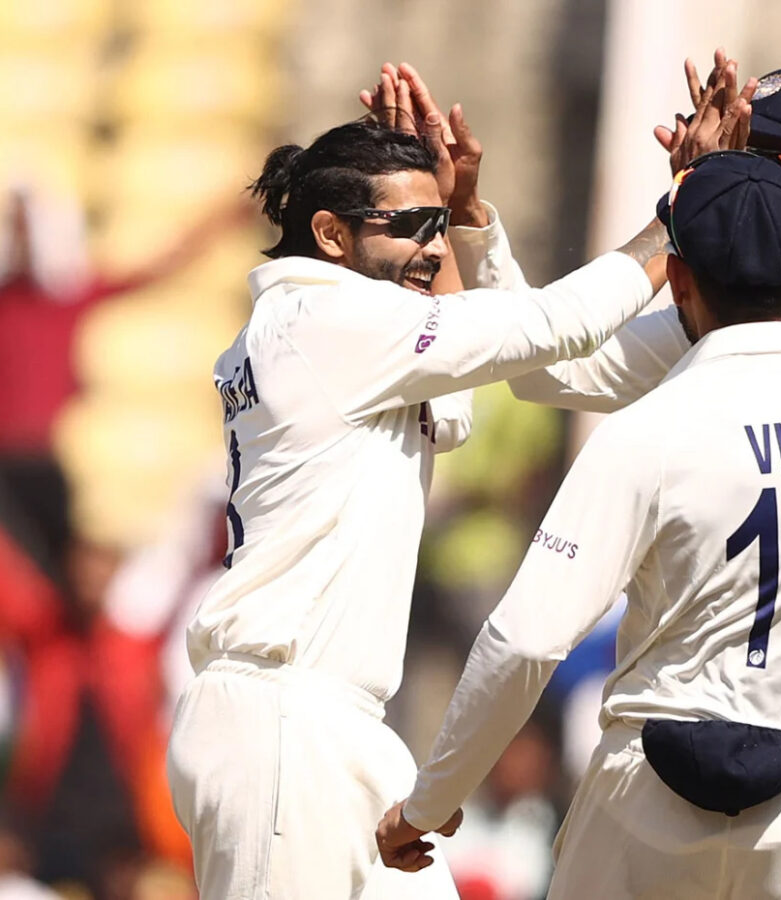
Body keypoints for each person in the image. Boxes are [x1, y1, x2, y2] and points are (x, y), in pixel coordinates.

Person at [452, 58, 781, 900]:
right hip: (700, 723)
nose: (756, 176)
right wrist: (476, 228)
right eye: (750, 156)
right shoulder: (737, 297)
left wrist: (714, 193)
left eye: (779, 166)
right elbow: (555, 373)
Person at [165, 102, 671, 898]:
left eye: (437, 225)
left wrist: (452, 212)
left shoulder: (329, 330)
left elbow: (457, 413)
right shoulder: (326, 319)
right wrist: (687, 210)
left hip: (331, 722)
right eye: (411, 225)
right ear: (332, 235)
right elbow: (560, 324)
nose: (433, 248)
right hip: (282, 724)